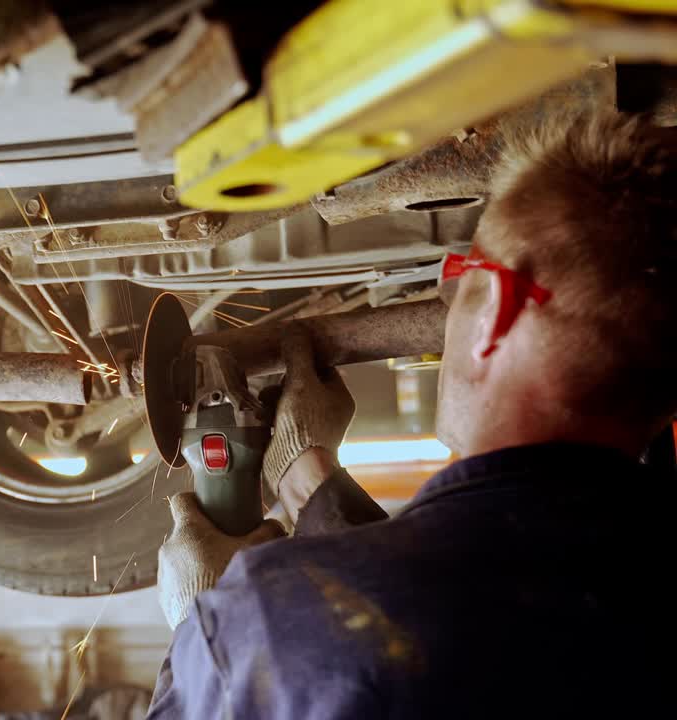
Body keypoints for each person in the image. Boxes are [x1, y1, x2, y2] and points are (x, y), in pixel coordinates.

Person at [147, 109, 677, 718]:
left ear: (497, 310)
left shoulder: (270, 625)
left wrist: (203, 627)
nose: (449, 303)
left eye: (457, 282)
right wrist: (308, 479)